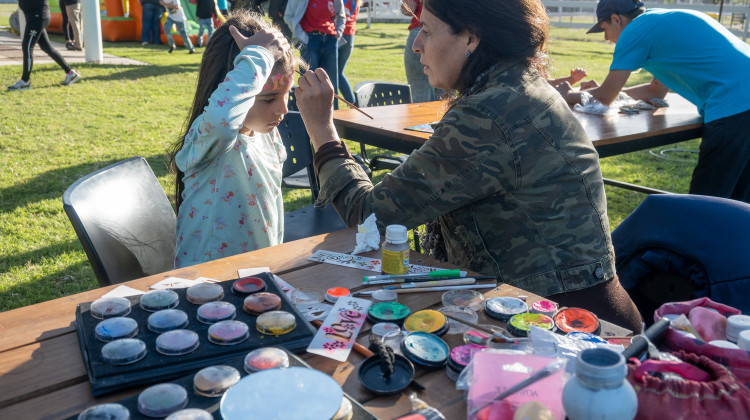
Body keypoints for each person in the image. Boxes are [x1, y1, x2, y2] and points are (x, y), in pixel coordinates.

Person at [295, 0, 643, 332]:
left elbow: (368, 216)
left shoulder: (490, 113)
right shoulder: (513, 88)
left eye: (428, 31)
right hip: (560, 309)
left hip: (562, 325)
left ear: (471, 37)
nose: (417, 45)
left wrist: (322, 130)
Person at [556, 0, 750, 203]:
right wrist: (603, 92)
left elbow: (605, 97)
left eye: (604, 29)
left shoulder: (635, 30)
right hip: (743, 102)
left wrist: (567, 94)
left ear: (616, 19)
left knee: (704, 204)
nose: (606, 38)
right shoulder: (660, 21)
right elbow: (654, 90)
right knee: (740, 204)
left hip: (734, 106)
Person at [167, 10, 296, 268]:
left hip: (256, 275)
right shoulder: (211, 138)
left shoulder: (266, 134)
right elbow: (223, 120)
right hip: (208, 284)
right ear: (229, 87)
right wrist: (259, 56)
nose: (283, 109)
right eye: (268, 98)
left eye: (287, 94)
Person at [8, 0, 81, 91]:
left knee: (27, 46)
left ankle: (25, 81)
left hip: (37, 17)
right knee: (46, 47)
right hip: (34, 16)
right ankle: (71, 73)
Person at [284, 0, 345, 107]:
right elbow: (288, 16)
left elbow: (341, 16)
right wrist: (303, 38)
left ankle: (335, 121)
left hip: (330, 40)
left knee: (331, 86)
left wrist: (337, 34)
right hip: (310, 40)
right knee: (309, 85)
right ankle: (307, 121)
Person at [400, 0, 435, 102]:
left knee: (418, 94)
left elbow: (408, 9)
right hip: (447, 32)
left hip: (419, 31)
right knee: (446, 96)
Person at [337, 0, 359, 103]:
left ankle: (352, 102)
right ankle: (353, 102)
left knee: (336, 73)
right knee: (339, 72)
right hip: (350, 36)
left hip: (340, 35)